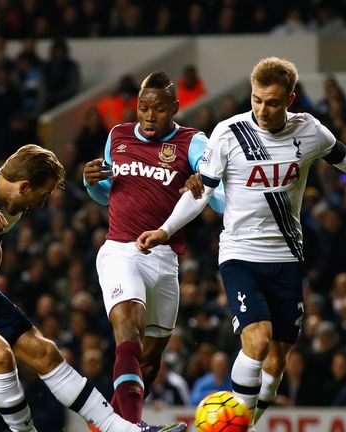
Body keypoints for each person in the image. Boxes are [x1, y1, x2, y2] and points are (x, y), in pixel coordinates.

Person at [137, 57, 346, 429]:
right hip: (239, 255)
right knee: (258, 339)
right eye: (256, 100)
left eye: (272, 102)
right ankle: (238, 425)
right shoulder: (228, 134)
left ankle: (245, 420)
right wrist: (165, 230)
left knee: (278, 357)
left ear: (290, 99)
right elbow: (202, 192)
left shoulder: (310, 131)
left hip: (286, 257)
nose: (262, 110)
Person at [0, 144, 186, 432]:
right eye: (42, 194)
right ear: (23, 187)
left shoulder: (10, 212)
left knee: (45, 352)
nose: (42, 203)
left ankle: (122, 430)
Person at [83, 71, 224, 425]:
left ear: (175, 108)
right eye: (142, 107)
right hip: (120, 249)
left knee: (149, 360)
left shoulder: (193, 143)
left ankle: (112, 423)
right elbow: (107, 194)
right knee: (128, 327)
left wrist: (202, 190)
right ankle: (133, 427)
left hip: (164, 259)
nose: (148, 115)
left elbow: (221, 200)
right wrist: (91, 184)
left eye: (158, 109)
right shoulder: (118, 135)